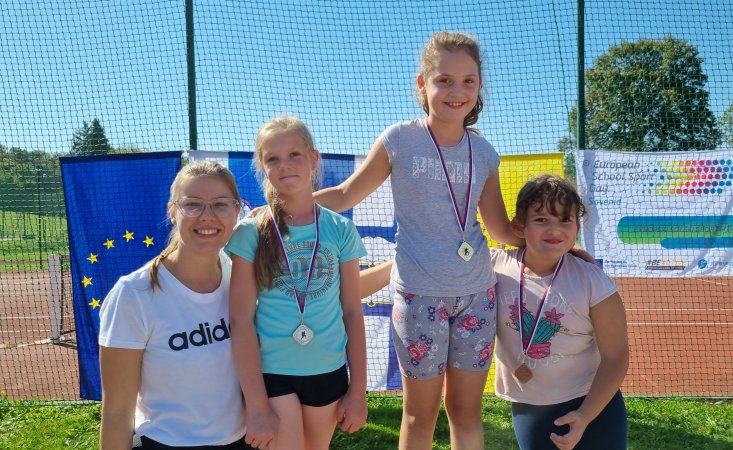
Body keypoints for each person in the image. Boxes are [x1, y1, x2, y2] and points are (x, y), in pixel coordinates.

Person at [314, 31, 521, 450]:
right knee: (418, 415)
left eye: (468, 81)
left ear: (479, 87)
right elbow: (346, 195)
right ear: (422, 84)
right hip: (418, 298)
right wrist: (281, 209)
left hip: (477, 298)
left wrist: (556, 239)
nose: (456, 91)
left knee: (465, 413)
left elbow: (500, 230)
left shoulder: (484, 153)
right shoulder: (399, 140)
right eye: (444, 80)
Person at [227, 116, 368, 450]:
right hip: (273, 371)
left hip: (328, 370)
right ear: (262, 167)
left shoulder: (340, 229)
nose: (285, 165)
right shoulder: (250, 232)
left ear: (313, 159)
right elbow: (240, 320)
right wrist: (257, 404)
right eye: (273, 158)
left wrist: (358, 391)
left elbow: (351, 310)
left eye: (294, 155)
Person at [98, 160, 250, 449]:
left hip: (242, 441)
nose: (207, 216)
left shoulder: (240, 277)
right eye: (192, 205)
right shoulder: (133, 294)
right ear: (172, 211)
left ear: (236, 212)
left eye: (220, 205)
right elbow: (117, 414)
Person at [493, 174, 629, 450]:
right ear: (519, 226)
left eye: (565, 220)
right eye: (541, 219)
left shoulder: (593, 281)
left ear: (577, 227)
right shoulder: (493, 267)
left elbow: (616, 357)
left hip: (594, 404)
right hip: (529, 408)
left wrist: (585, 415)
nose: (555, 229)